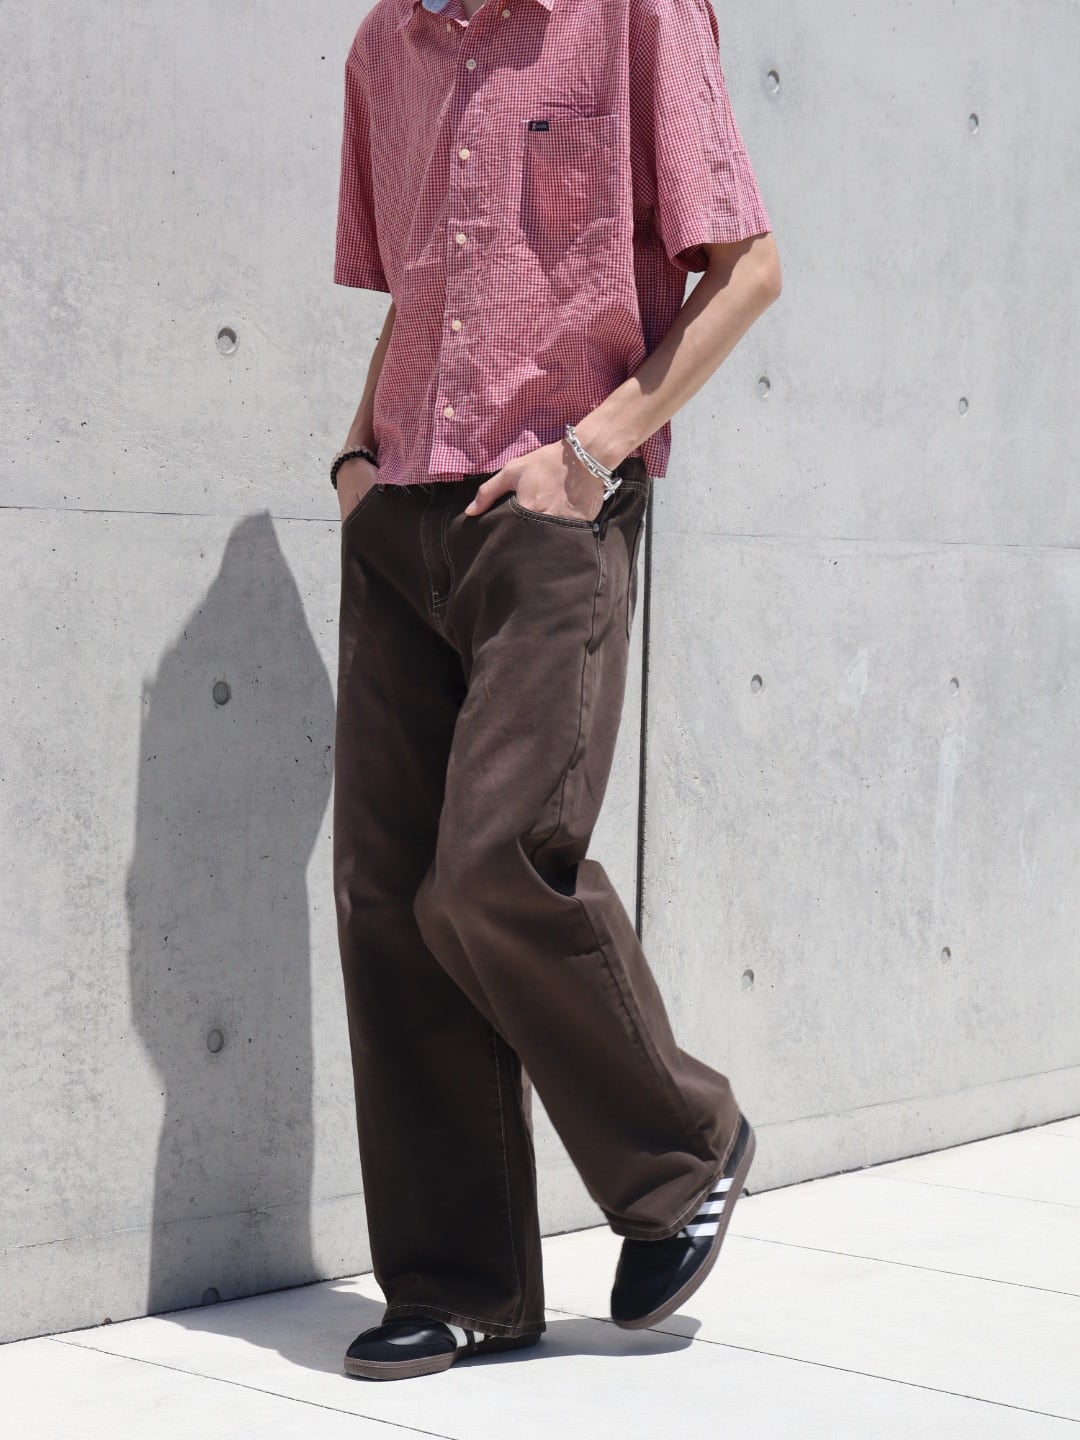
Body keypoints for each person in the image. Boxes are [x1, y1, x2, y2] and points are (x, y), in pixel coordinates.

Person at [330, 0, 781, 1382]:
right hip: (399, 511)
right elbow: (423, 283)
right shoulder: (384, 47)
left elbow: (748, 270)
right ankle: (459, 1285)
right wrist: (353, 461)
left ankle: (684, 1144)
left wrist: (591, 456)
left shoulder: (633, 14)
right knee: (390, 909)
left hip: (548, 509)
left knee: (491, 868)